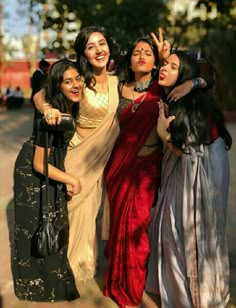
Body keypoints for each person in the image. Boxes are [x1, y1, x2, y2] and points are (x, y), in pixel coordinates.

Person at [103, 34, 214, 308]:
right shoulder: (115, 89)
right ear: (129, 59)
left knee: (137, 229)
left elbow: (208, 80)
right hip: (119, 168)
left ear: (155, 63)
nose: (141, 55)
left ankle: (132, 287)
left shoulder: (160, 87)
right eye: (136, 51)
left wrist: (189, 81)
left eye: (147, 52)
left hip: (146, 171)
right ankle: (116, 280)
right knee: (118, 227)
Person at [33, 26, 122, 281]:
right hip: (78, 154)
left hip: (103, 156)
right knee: (72, 212)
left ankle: (83, 265)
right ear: (83, 53)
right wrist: (48, 108)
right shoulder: (79, 77)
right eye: (91, 46)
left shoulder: (119, 81)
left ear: (109, 46)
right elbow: (40, 94)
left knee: (91, 213)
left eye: (101, 43)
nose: (98, 50)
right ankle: (61, 267)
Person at [146, 50, 232, 307]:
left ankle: (194, 295)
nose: (164, 69)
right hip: (182, 172)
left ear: (184, 74)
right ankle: (177, 288)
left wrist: (164, 134)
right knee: (170, 229)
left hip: (199, 174)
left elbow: (190, 152)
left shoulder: (193, 102)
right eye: (164, 64)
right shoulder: (172, 95)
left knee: (190, 232)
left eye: (173, 67)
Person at [12, 59, 84, 302]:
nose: (76, 85)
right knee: (36, 226)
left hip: (51, 165)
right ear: (58, 85)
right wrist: (71, 180)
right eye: (68, 81)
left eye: (78, 79)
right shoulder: (53, 115)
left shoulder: (62, 104)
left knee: (54, 222)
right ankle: (33, 286)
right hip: (34, 171)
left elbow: (39, 95)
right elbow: (38, 163)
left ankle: (50, 280)